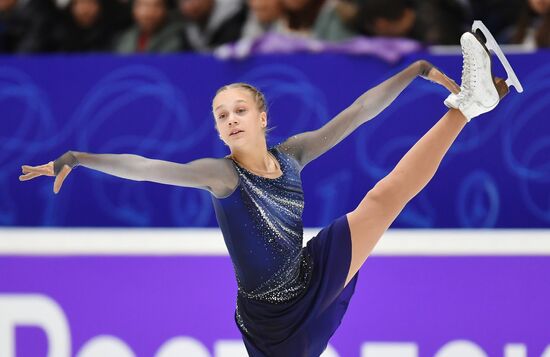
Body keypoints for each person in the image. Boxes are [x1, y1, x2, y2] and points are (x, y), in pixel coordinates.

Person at [20, 30, 515, 356]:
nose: (230, 119)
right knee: (383, 201)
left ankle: (469, 104)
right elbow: (149, 168)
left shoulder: (294, 154)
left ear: (261, 118)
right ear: (217, 131)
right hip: (271, 323)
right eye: (220, 115)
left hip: (310, 270)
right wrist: (79, 159)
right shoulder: (222, 176)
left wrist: (416, 71)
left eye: (238, 110)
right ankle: (472, 105)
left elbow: (358, 112)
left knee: (384, 199)